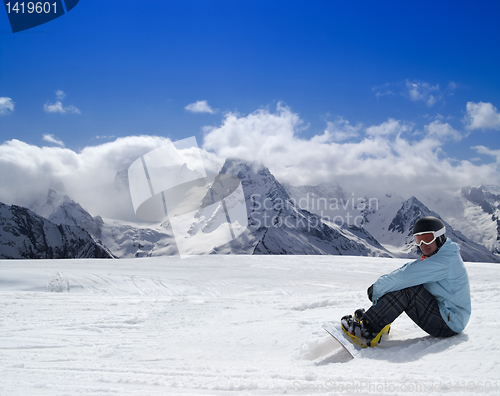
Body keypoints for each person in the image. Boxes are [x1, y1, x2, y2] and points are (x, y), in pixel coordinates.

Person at [341, 216, 471, 348]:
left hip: (450, 324)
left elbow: (405, 276)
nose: (423, 245)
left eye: (427, 238)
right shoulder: (442, 254)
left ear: (440, 237)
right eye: (418, 240)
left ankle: (366, 332)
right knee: (403, 283)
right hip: (449, 316)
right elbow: (409, 271)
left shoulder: (444, 261)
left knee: (408, 289)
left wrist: (377, 288)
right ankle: (377, 320)